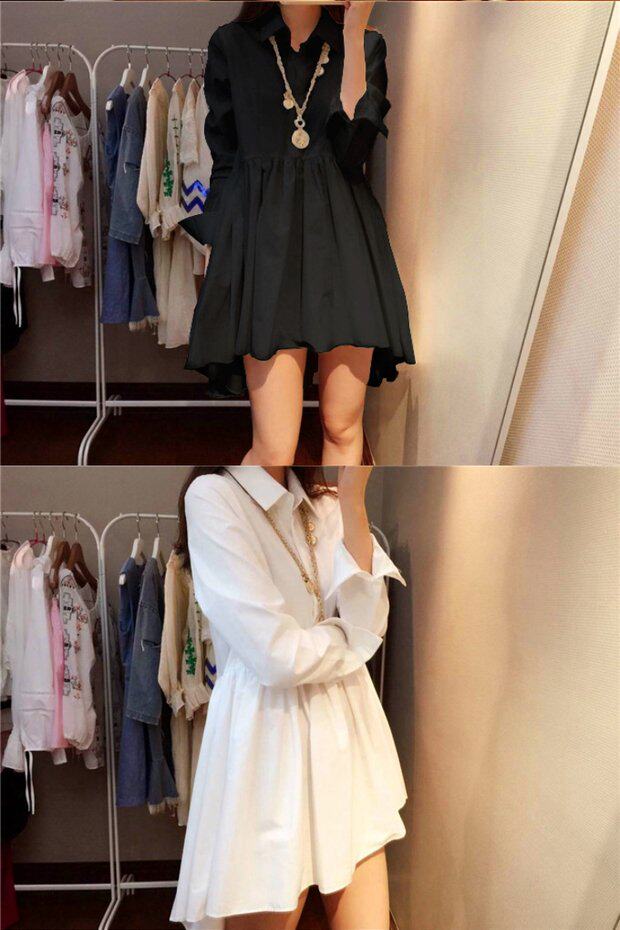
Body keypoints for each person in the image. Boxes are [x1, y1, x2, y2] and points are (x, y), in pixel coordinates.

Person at [170, 465, 407, 930]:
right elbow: (275, 656)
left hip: (345, 729)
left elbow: (371, 618)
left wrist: (353, 500)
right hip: (267, 737)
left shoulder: (326, 502)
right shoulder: (214, 496)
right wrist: (347, 640)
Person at [181, 2, 415, 465]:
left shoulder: (366, 44)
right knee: (275, 444)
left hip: (345, 247)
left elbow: (353, 151)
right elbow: (225, 161)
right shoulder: (231, 45)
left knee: (342, 427)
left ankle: (337, 515)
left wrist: (352, 33)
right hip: (265, 250)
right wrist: (221, 243)